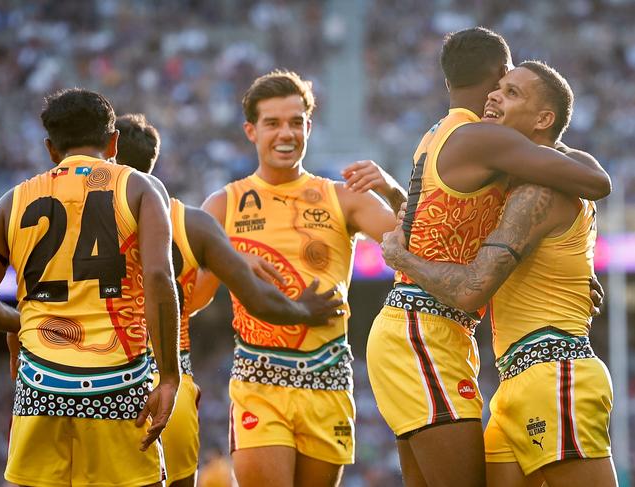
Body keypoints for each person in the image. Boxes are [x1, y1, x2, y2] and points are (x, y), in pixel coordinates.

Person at [365, 27, 612, 487]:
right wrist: (402, 256)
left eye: (511, 91)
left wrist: (564, 269)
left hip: (511, 359)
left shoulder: (457, 139)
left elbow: (442, 223)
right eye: (500, 86)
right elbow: (595, 179)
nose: (498, 97)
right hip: (428, 331)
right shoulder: (483, 139)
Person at [113, 113, 345, 487]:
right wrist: (233, 262)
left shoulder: (72, 219)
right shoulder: (186, 222)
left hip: (85, 378)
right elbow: (189, 304)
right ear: (152, 161)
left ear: (109, 154)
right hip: (166, 386)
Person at [201, 70, 400, 487]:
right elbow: (194, 296)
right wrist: (230, 261)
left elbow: (419, 244)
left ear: (309, 127)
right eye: (272, 123)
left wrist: (395, 190)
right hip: (259, 381)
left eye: (295, 122)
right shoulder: (223, 204)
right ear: (251, 130)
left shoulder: (344, 197)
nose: (285, 133)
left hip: (327, 380)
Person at [0, 88, 181, 487]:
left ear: (51, 149)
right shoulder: (139, 188)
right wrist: (169, 377)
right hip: (119, 382)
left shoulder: (12, 201)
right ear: (113, 143)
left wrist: (18, 323)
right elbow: (161, 279)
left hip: (41, 385)